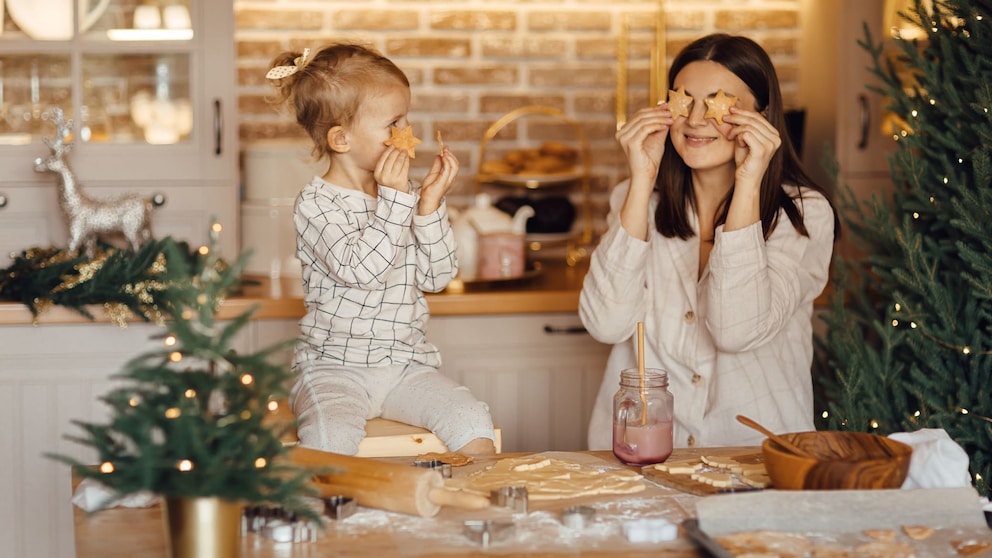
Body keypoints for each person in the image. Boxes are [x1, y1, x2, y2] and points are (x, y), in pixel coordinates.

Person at [580, 34, 839, 450]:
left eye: (720, 104)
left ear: (762, 116)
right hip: (641, 459)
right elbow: (605, 324)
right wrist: (643, 179)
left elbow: (737, 330)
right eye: (684, 102)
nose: (696, 120)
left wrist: (749, 180)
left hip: (755, 457)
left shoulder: (805, 214)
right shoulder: (636, 202)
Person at [266, 44, 496, 456]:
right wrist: (396, 202)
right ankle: (334, 518)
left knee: (473, 419)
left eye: (405, 118)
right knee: (329, 439)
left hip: (406, 368)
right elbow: (362, 272)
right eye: (393, 122)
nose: (408, 133)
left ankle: (466, 511)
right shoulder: (317, 204)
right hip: (333, 370)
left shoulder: (402, 196)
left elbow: (438, 278)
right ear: (341, 139)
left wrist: (427, 209)